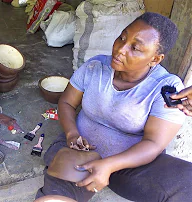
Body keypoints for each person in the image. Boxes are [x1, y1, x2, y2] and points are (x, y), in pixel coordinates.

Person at [35, 12, 192, 202]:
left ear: (155, 59)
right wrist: (71, 134)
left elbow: (154, 144)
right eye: (122, 38)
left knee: (187, 185)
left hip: (131, 163)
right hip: (78, 154)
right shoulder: (94, 67)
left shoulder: (167, 89)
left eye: (135, 48)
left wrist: (109, 166)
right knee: (51, 199)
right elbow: (67, 102)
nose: (120, 49)